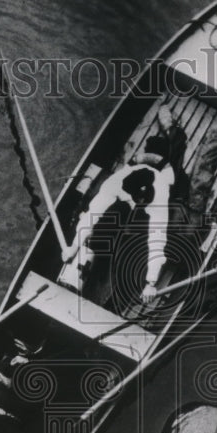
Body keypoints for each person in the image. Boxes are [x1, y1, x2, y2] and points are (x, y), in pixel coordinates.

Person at [59, 105, 189, 305]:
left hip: (164, 181)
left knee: (176, 159)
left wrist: (151, 282)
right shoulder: (114, 183)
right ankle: (162, 138)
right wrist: (74, 245)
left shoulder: (160, 196)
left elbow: (157, 241)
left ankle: (171, 129)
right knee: (100, 220)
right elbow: (91, 215)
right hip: (126, 196)